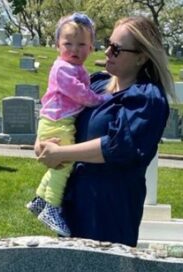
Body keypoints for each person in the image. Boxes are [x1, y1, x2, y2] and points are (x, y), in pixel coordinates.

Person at [36, 16, 175, 247]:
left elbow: (117, 146)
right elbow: (59, 107)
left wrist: (62, 154)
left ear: (141, 57)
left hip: (110, 209)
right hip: (75, 202)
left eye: (117, 49)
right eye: (108, 44)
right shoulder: (97, 84)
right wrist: (41, 143)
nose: (107, 52)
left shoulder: (147, 98)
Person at [26, 13, 111, 237]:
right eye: (68, 44)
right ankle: (52, 207)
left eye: (82, 44)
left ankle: (39, 199)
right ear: (57, 45)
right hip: (57, 121)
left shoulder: (78, 69)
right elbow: (80, 93)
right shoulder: (63, 68)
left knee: (58, 165)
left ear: (91, 47)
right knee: (63, 166)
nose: (75, 49)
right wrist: (100, 99)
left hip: (59, 121)